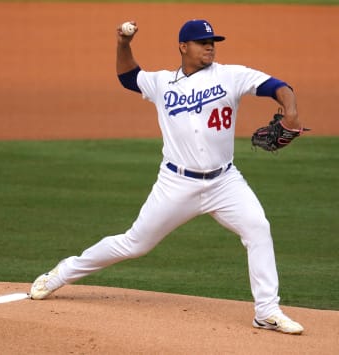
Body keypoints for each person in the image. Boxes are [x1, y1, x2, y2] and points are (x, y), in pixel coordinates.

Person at [30, 19, 305, 335]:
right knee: (135, 243)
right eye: (203, 42)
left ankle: (267, 311)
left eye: (213, 41)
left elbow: (279, 87)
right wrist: (123, 44)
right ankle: (63, 272)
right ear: (183, 46)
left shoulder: (231, 75)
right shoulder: (162, 83)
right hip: (176, 184)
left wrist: (292, 111)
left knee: (258, 228)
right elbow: (128, 77)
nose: (210, 46)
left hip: (225, 182)